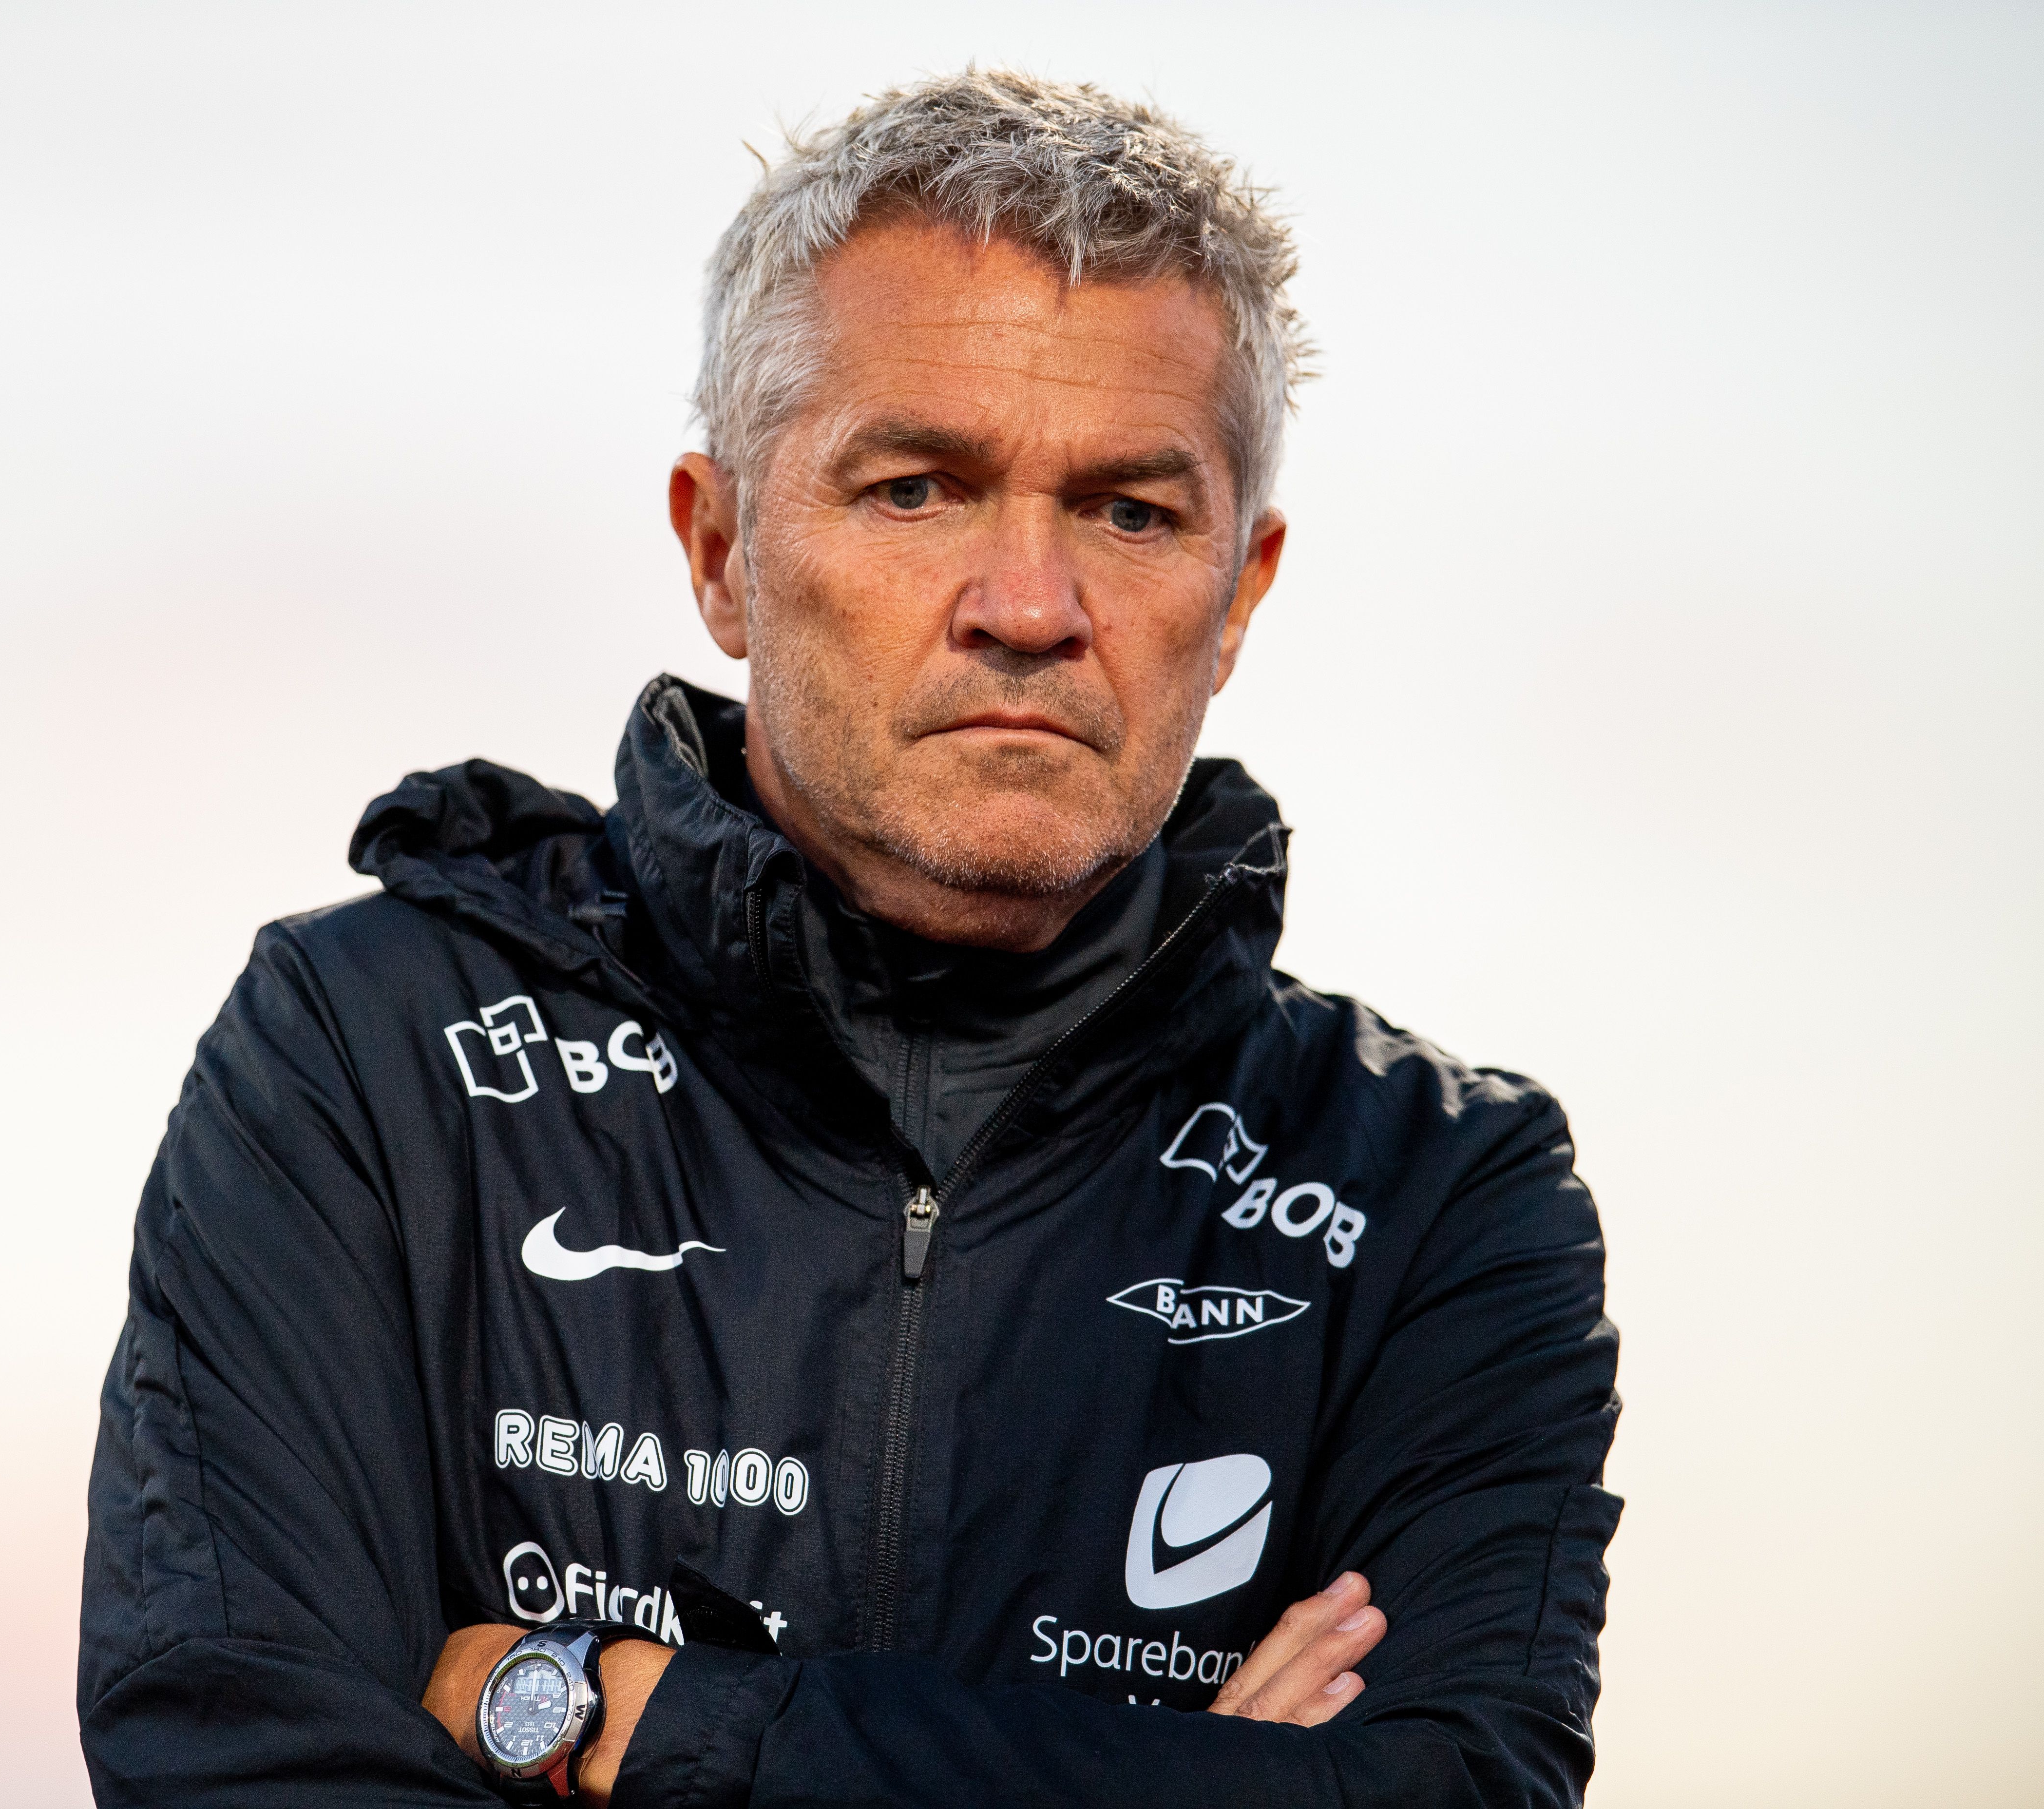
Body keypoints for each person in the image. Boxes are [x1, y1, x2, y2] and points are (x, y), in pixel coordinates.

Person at [78, 68, 1621, 1809]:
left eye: (1132, 513)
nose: (1028, 608)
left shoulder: (1436, 1197)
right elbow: (248, 1772)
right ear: (722, 549)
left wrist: (660, 1729)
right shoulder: (370, 1059)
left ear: (1240, 593)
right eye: (915, 489)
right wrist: (1184, 1781)